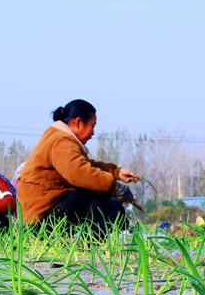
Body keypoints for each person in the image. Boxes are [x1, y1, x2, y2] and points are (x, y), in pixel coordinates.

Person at [17, 99, 138, 234]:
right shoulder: (61, 140)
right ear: (78, 122)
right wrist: (114, 186)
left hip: (46, 216)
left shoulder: (61, 138)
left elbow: (85, 166)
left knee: (113, 205)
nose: (93, 132)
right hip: (38, 223)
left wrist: (116, 172)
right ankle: (96, 243)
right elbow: (81, 173)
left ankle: (97, 238)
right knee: (99, 187)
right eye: (92, 126)